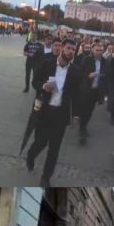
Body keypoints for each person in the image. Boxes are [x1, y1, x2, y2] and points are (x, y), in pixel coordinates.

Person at [26, 39, 82, 186]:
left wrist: (76, 115)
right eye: (68, 48)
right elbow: (35, 81)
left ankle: (46, 177)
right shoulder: (47, 63)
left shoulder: (75, 71)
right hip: (44, 111)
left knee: (54, 149)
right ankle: (31, 155)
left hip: (60, 115)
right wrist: (44, 85)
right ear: (62, 48)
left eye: (73, 49)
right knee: (40, 143)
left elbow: (77, 95)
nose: (71, 51)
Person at [78, 42, 108, 144]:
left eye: (101, 50)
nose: (99, 52)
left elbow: (107, 75)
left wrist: (104, 92)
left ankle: (84, 125)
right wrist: (88, 76)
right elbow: (80, 73)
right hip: (86, 89)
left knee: (90, 110)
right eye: (97, 50)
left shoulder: (105, 62)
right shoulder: (87, 60)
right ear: (92, 51)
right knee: (84, 110)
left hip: (97, 91)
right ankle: (82, 128)